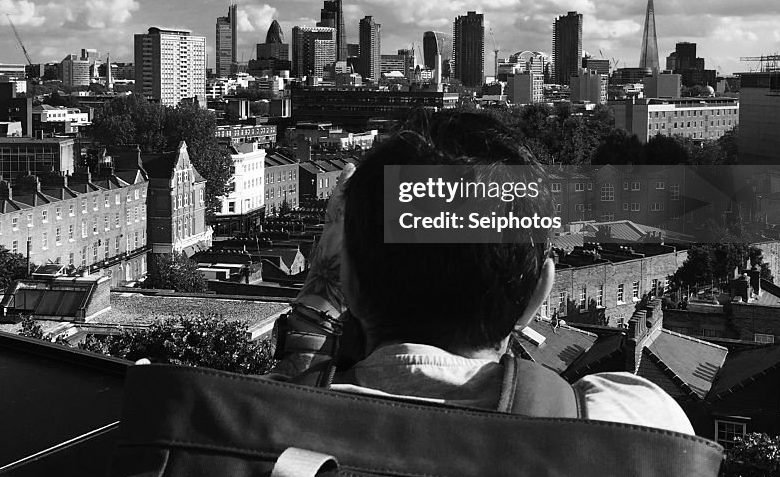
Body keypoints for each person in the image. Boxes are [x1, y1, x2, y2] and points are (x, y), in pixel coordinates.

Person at [271, 109, 693, 434]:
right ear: (536, 295)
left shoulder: (272, 434)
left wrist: (319, 295)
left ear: (352, 287)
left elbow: (269, 406)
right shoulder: (635, 425)